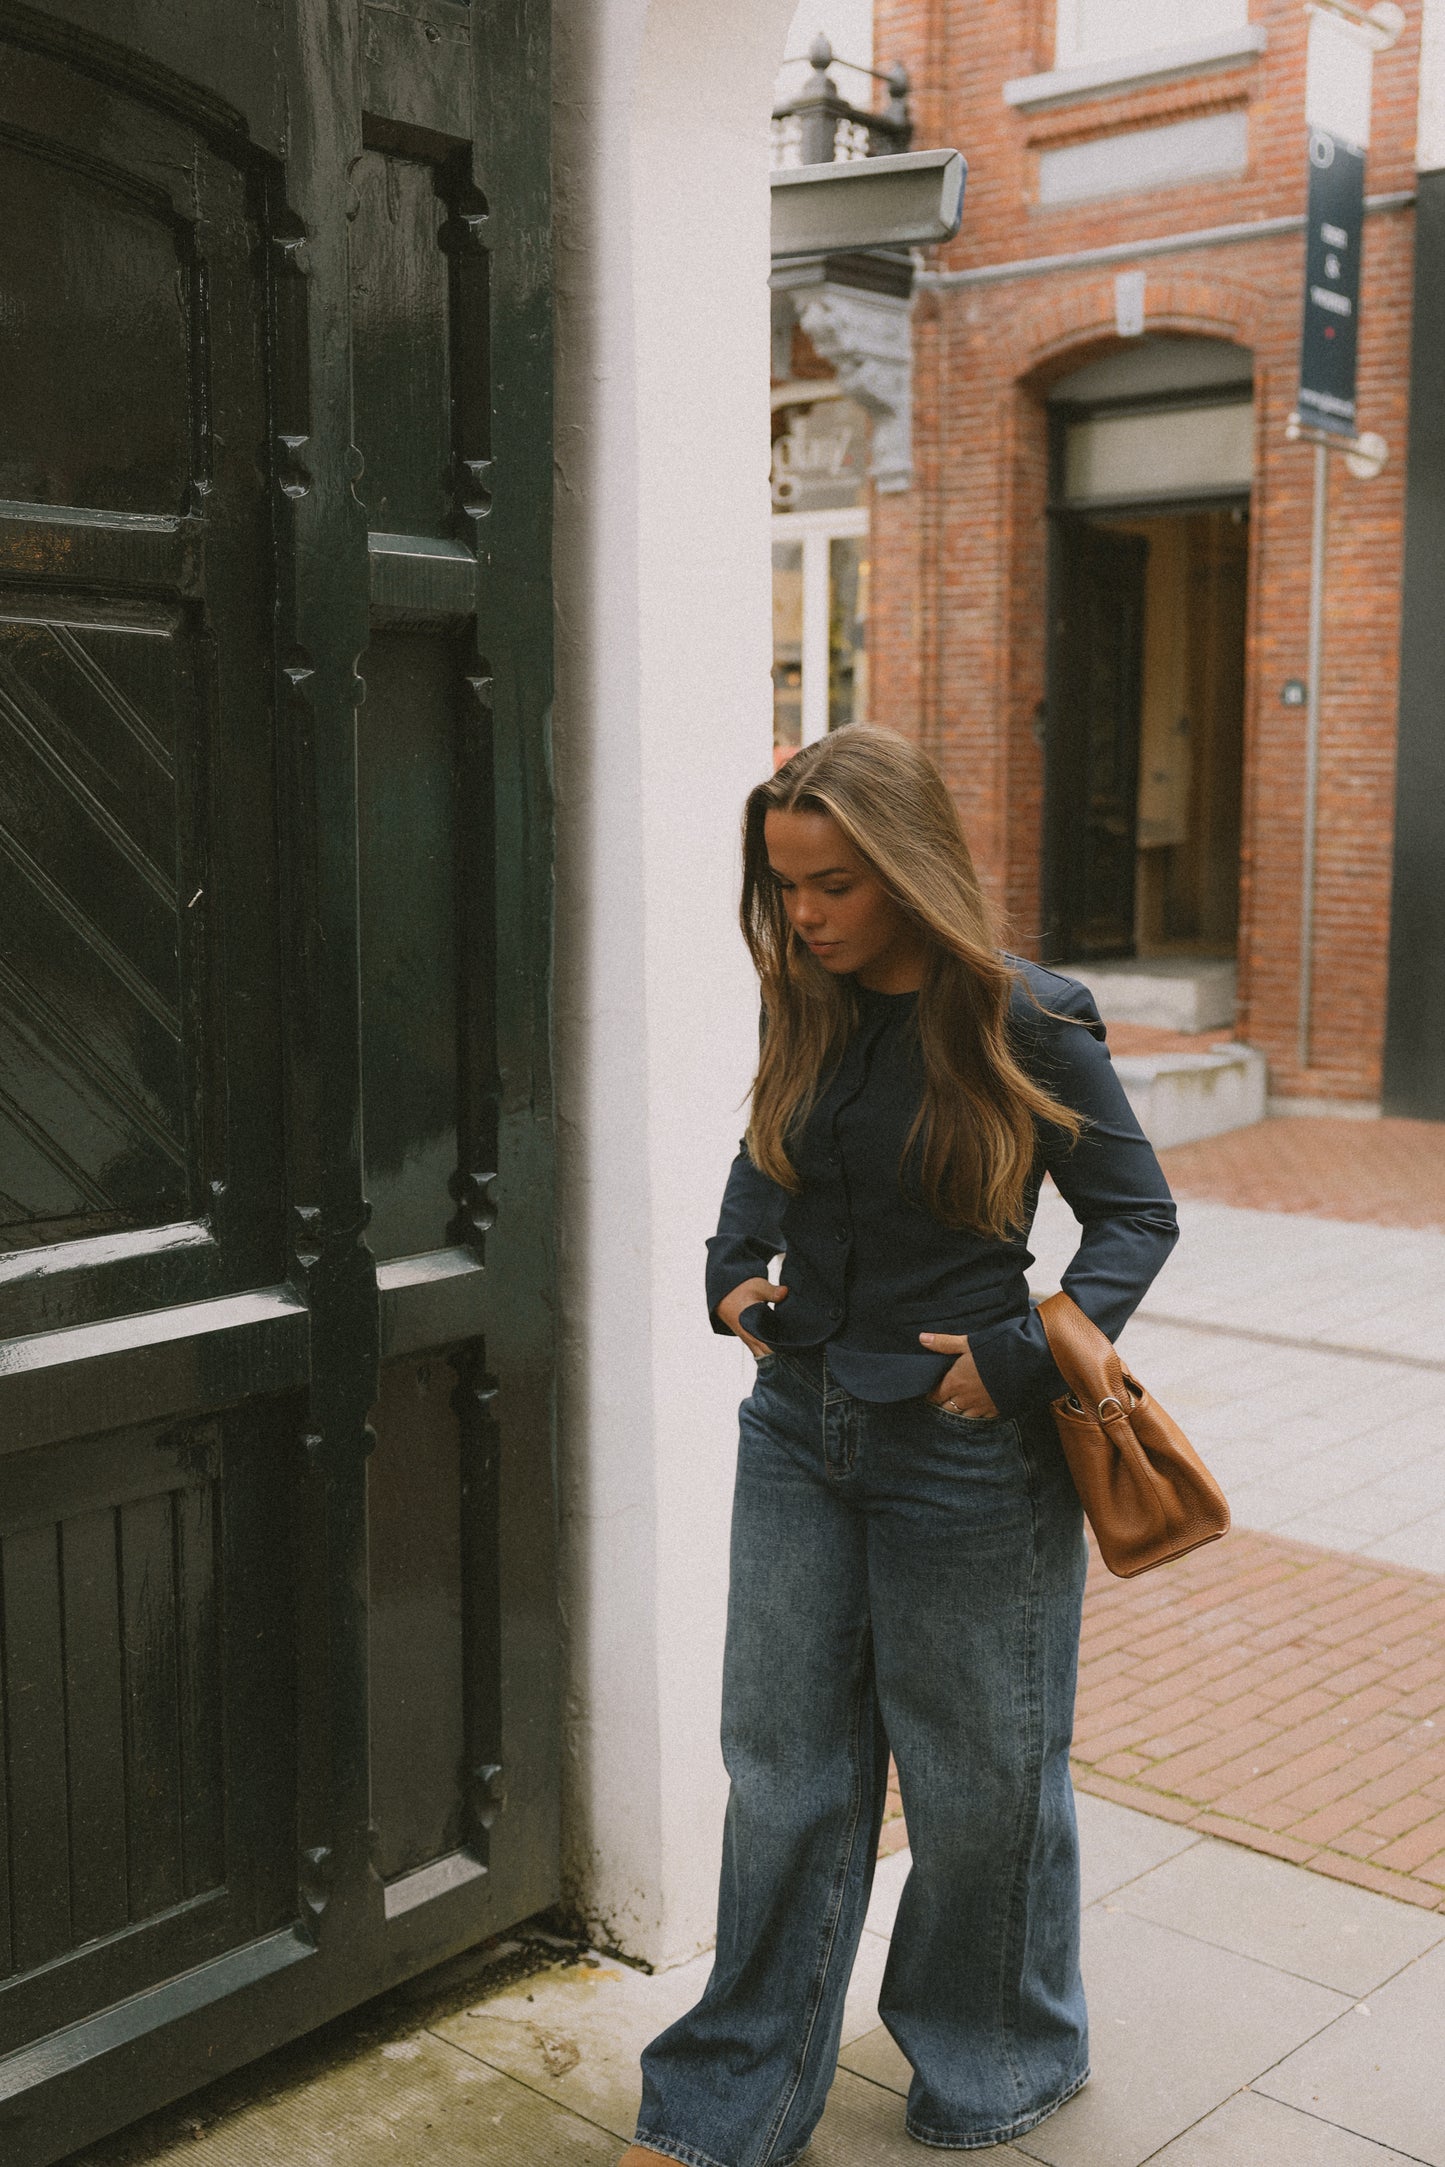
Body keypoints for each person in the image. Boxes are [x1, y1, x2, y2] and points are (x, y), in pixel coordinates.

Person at [620, 725, 1178, 2164]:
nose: (801, 915)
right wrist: (729, 1272)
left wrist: (1013, 1355)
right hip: (796, 1429)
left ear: (908, 872)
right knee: (787, 1773)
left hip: (969, 1455)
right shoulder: (800, 998)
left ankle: (999, 2059)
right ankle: (726, 2101)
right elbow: (764, 1160)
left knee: (979, 1775)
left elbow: (1134, 1218)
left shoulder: (1025, 1016)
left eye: (831, 887)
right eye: (783, 885)